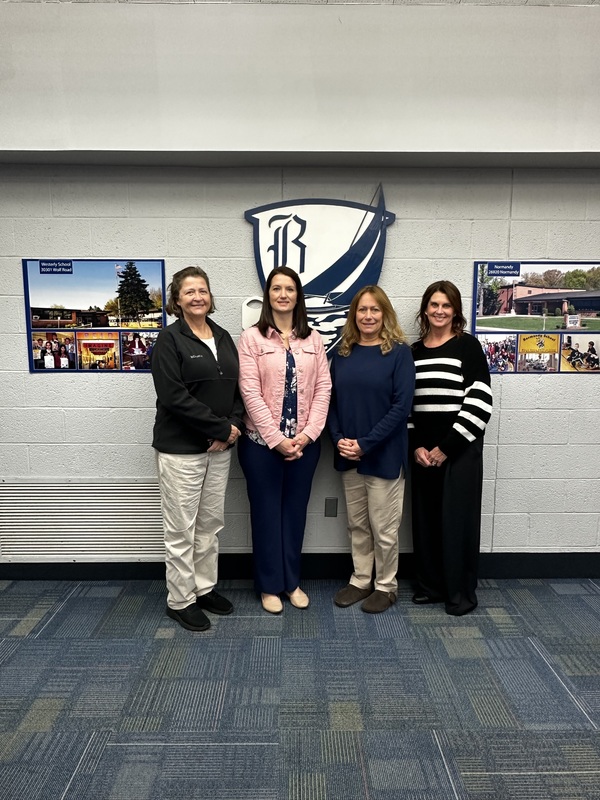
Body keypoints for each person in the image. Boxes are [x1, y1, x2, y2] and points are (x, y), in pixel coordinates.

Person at [151, 266, 244, 632]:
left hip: (219, 449)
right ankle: (180, 600)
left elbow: (238, 387)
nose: (197, 297)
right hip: (181, 451)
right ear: (177, 300)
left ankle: (204, 589)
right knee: (181, 529)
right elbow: (174, 397)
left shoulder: (221, 336)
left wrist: (232, 428)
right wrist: (221, 427)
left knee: (209, 525)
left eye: (202, 290)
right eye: (189, 292)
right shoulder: (170, 340)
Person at [237, 266, 331, 614]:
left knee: (294, 514)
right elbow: (249, 392)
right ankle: (269, 586)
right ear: (268, 296)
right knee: (265, 514)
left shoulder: (314, 339)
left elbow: (324, 389)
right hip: (261, 446)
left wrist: (306, 436)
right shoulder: (251, 339)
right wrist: (275, 439)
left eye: (289, 288)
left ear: (297, 295)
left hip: (304, 446)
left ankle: (292, 582)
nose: (283, 294)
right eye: (276, 288)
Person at [328, 286, 415, 614]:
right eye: (362, 310)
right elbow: (331, 400)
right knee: (358, 524)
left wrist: (365, 443)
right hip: (348, 454)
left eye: (374, 310)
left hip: (383, 454)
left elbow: (401, 407)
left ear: (385, 314)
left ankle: (386, 585)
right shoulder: (343, 353)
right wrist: (338, 439)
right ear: (354, 315)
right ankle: (361, 579)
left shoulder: (399, 354)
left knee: (384, 527)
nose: (367, 316)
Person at [410, 280, 493, 616]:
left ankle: (460, 594)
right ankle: (431, 587)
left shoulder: (468, 347)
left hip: (459, 450)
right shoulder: (414, 352)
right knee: (426, 521)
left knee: (457, 522)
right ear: (425, 309)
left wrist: (446, 448)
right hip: (422, 451)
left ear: (455, 310)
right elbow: (407, 405)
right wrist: (417, 446)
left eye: (446, 305)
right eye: (434, 305)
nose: (439, 311)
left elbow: (480, 402)